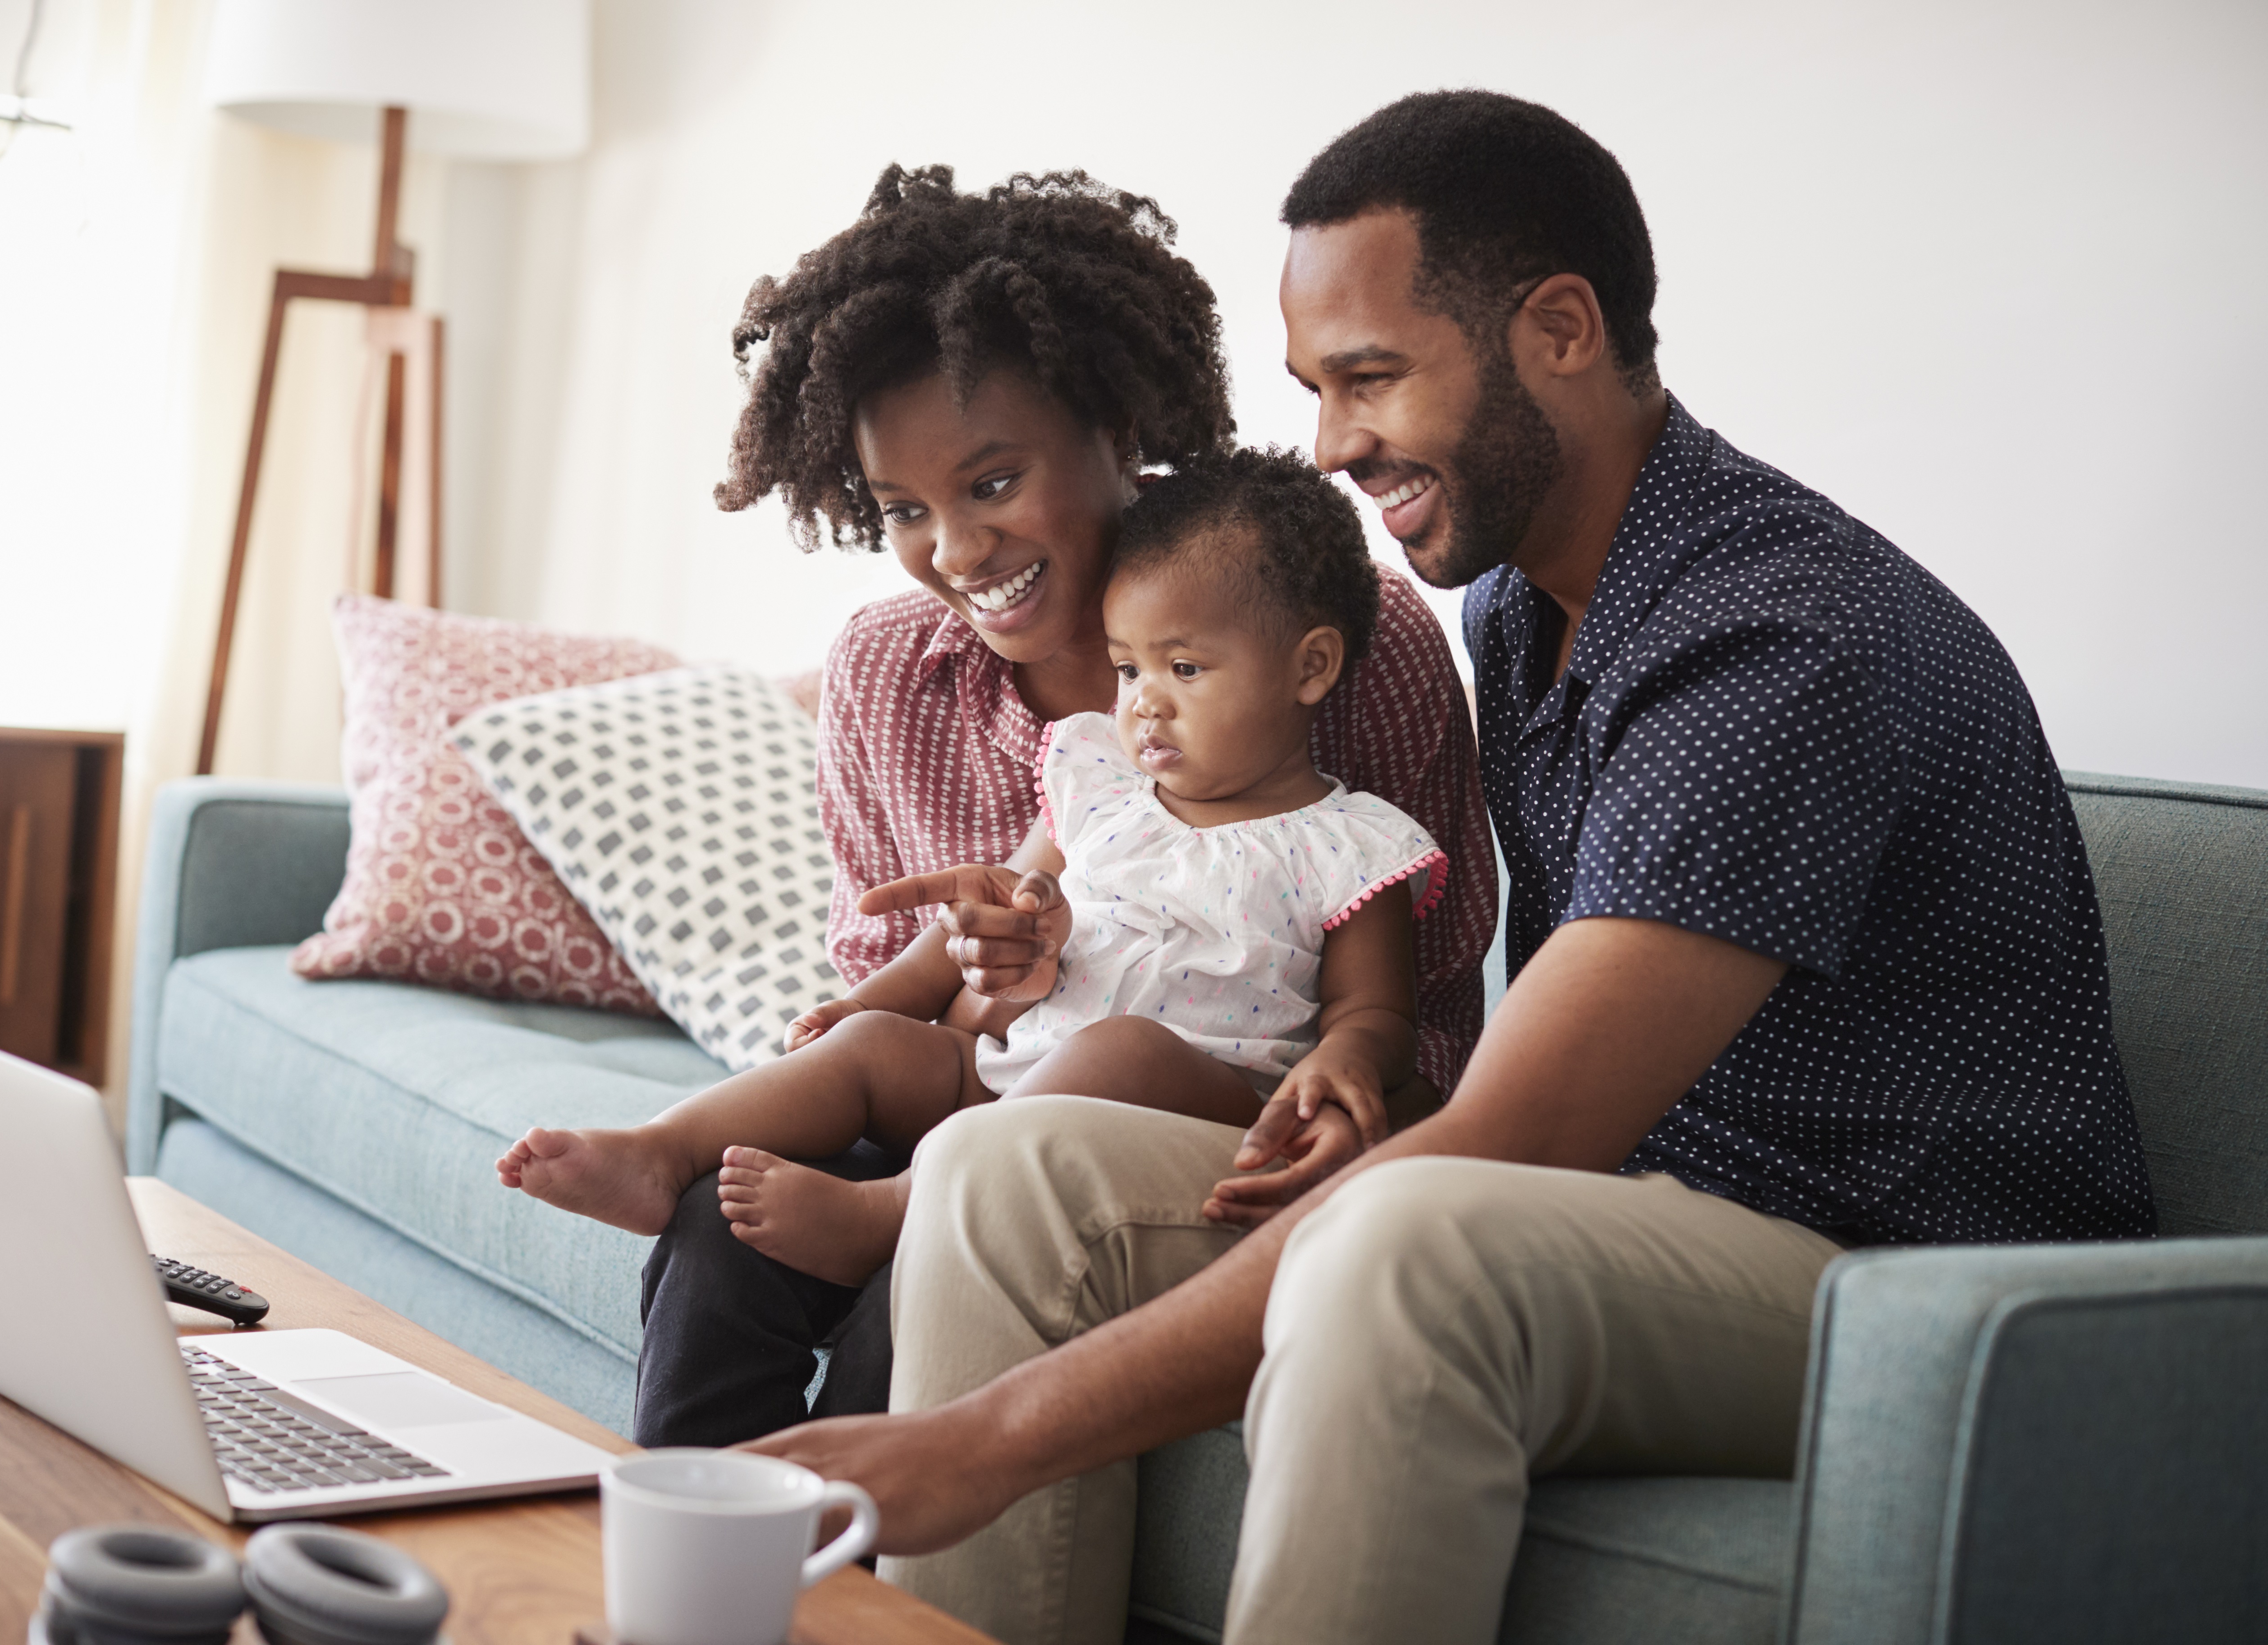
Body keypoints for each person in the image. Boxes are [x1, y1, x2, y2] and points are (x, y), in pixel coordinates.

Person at [745, 91, 2158, 1645]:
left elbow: (1520, 1131)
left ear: (1558, 328)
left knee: (1401, 1247)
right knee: (1007, 1165)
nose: (1333, 444)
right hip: (1653, 1206)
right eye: (1316, 388)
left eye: (1369, 379)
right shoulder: (1524, 604)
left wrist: (982, 1437)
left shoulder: (1772, 637)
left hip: (1916, 1278)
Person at [628, 164, 1498, 1450]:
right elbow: (908, 1022)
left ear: (1115, 423)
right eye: (905, 511)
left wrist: (1333, 1094)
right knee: (714, 1233)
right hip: (975, 1091)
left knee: (927, 1294)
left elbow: (1419, 1035)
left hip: (1184, 1132)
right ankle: (686, 1575)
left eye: (991, 484)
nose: (958, 553)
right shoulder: (886, 676)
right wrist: (992, 984)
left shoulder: (1342, 637)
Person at [499, 448, 1448, 1285]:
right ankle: (662, 1150)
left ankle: (893, 1214)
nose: (1145, 707)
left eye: (1185, 671)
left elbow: (1375, 1015)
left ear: (1310, 668)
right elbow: (996, 913)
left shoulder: (1350, 842)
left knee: (1122, 1047)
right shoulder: (1098, 784)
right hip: (1008, 1070)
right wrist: (873, 1007)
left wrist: (1343, 1070)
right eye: (1128, 670)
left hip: (1191, 1105)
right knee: (875, 1054)